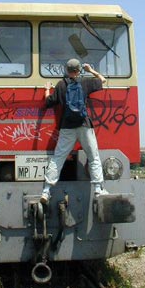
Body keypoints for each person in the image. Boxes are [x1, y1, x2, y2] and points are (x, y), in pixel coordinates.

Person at [40, 58, 108, 204]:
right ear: (78, 70)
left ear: (66, 70)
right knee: (93, 156)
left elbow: (48, 102)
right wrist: (91, 71)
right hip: (84, 125)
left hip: (67, 127)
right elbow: (103, 80)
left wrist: (47, 89)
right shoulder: (85, 82)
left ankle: (46, 191)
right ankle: (98, 188)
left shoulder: (61, 85)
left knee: (58, 158)